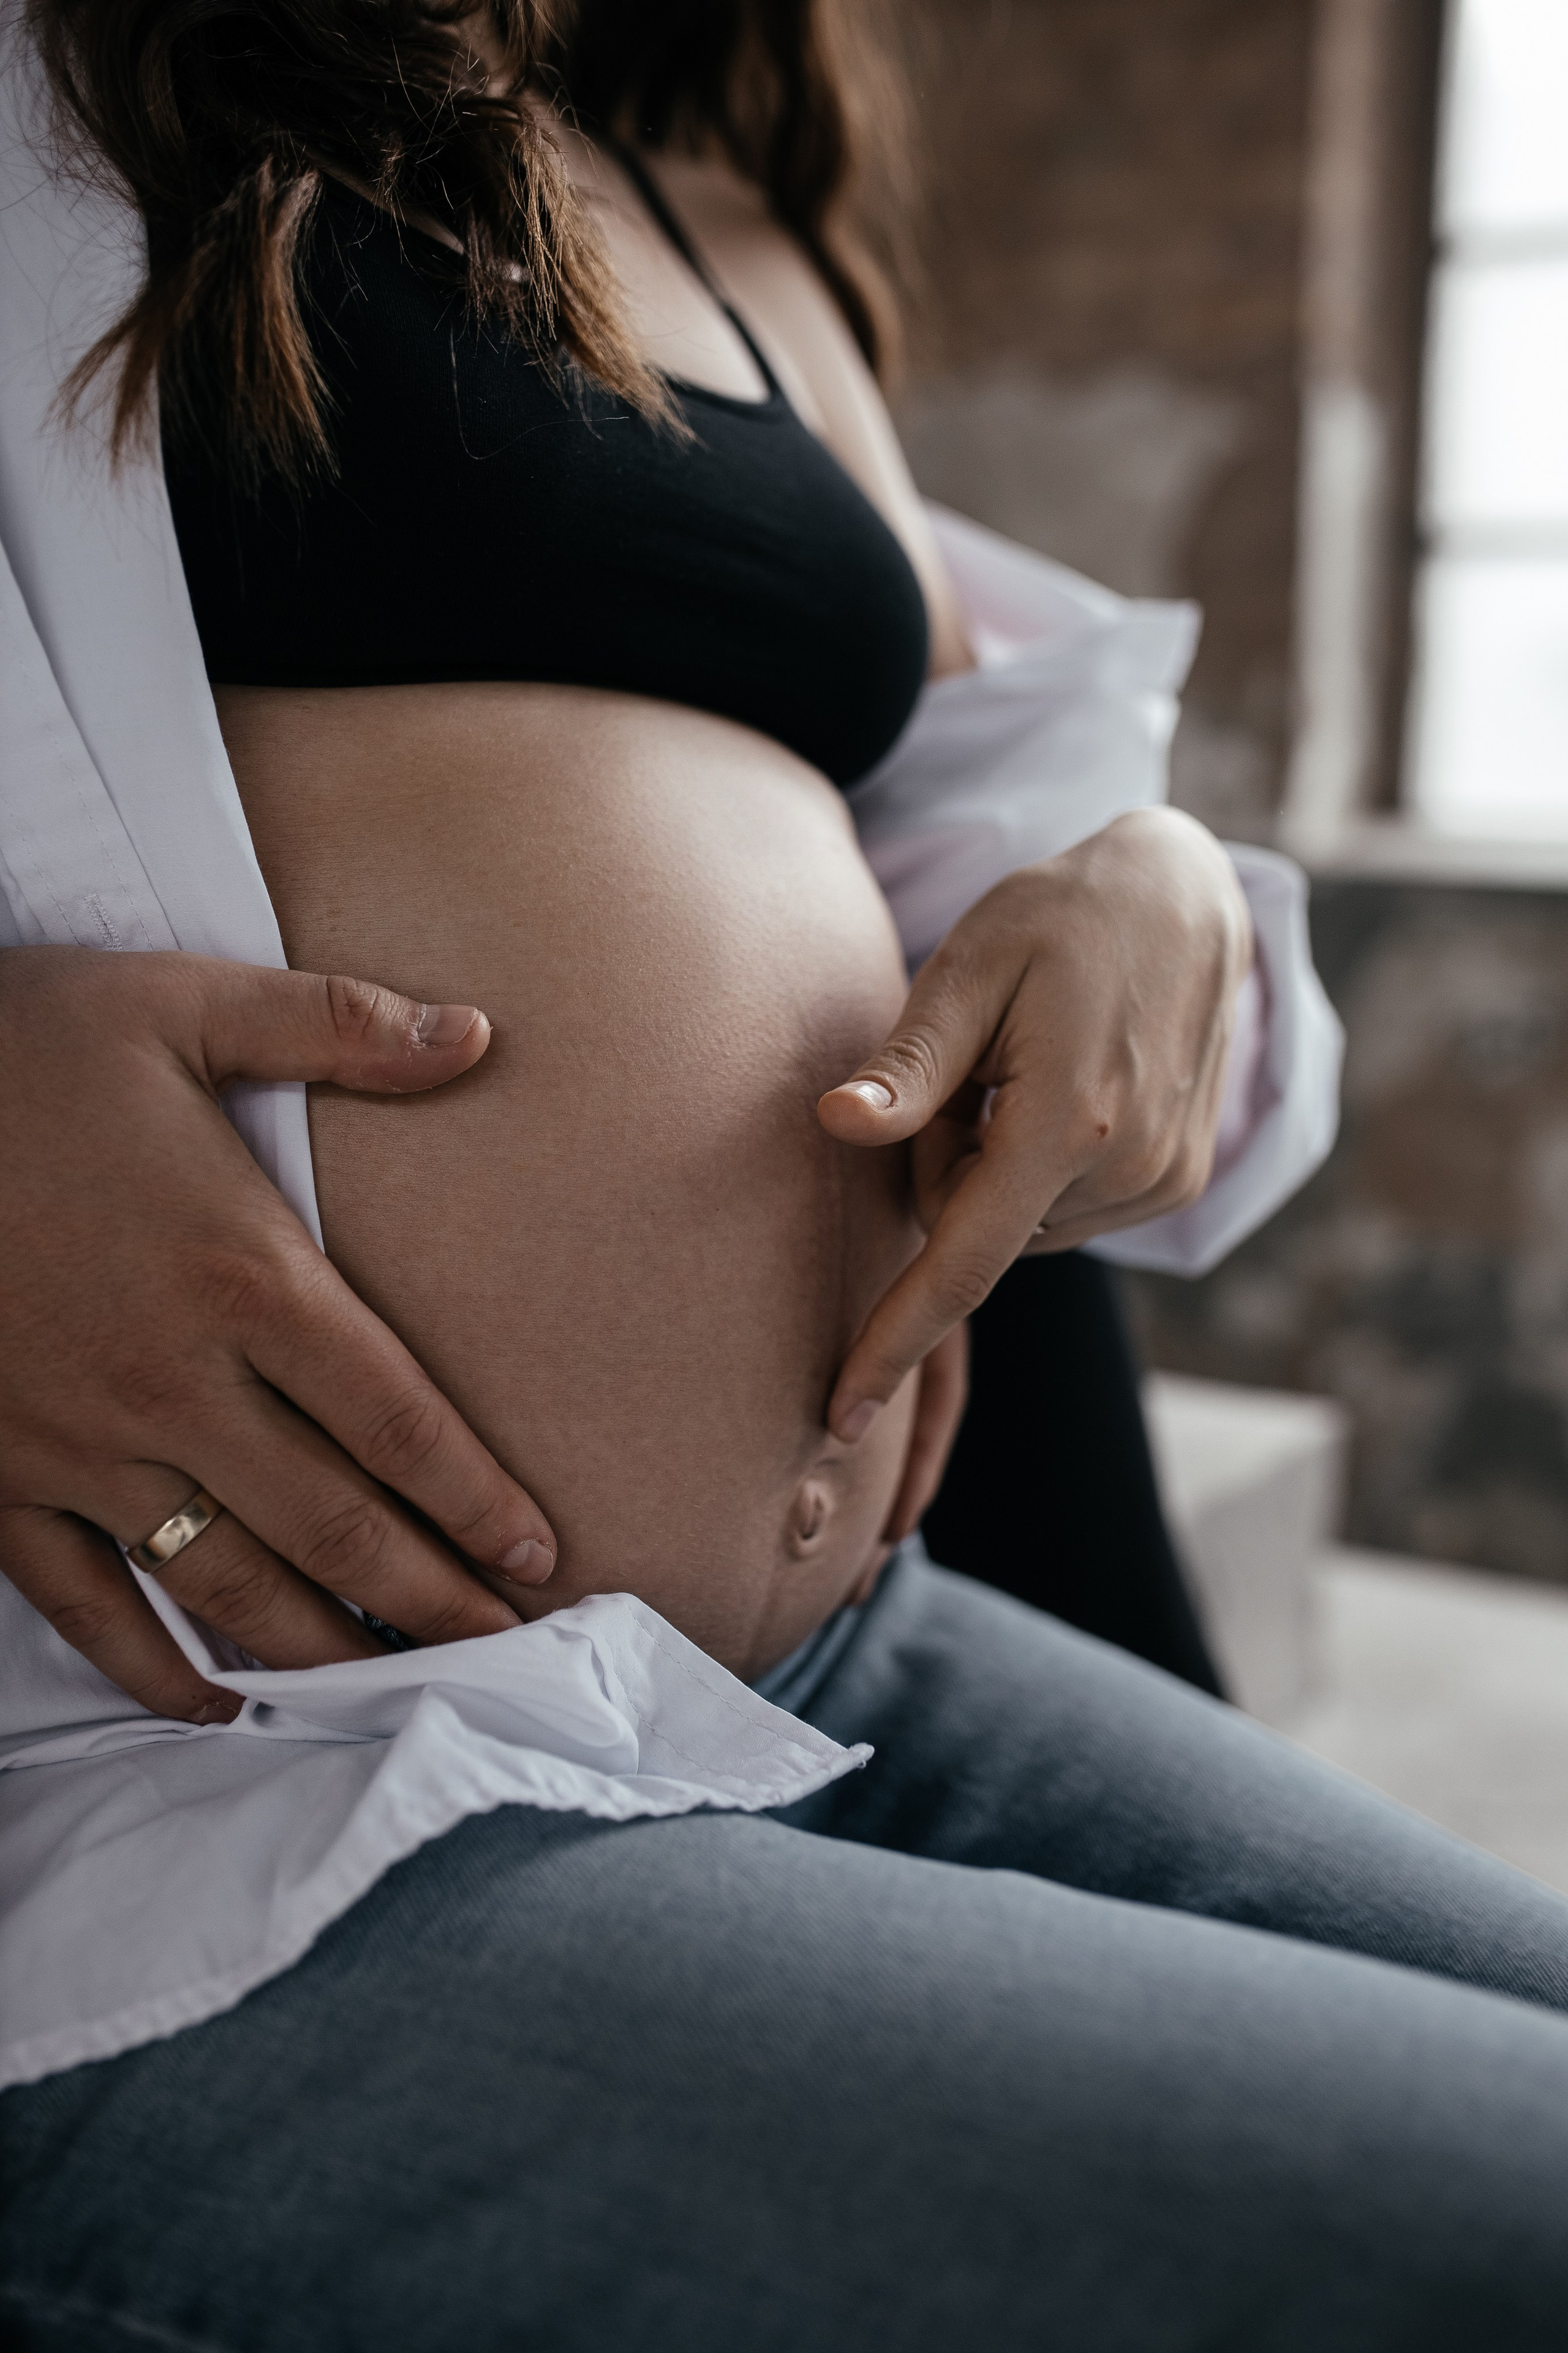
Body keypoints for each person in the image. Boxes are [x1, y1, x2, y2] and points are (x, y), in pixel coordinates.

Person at [5, 6, 1568, 2347]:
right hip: (204, 1779)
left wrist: (1161, 905)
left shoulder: (690, 217)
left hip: (851, 1652)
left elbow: (1009, 880)